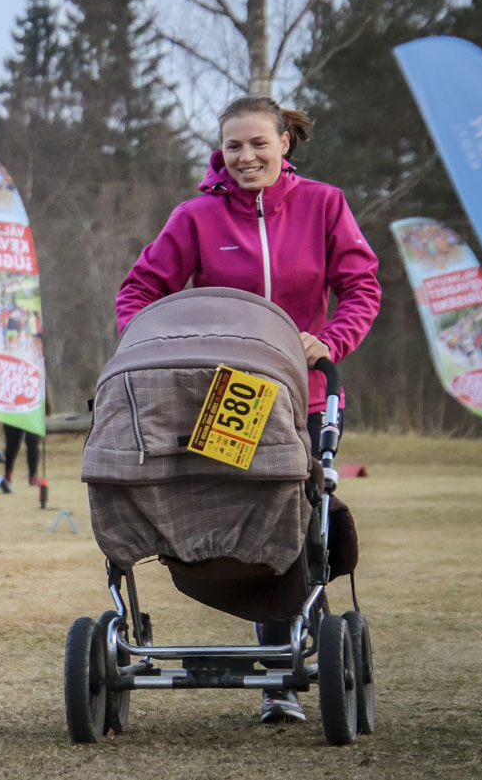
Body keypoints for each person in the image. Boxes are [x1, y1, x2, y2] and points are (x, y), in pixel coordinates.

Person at [115, 94, 381, 725]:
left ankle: (288, 666)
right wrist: (149, 343)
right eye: (234, 146)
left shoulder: (323, 205)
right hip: (228, 396)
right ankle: (275, 670)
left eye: (259, 143)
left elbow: (362, 285)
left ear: (284, 143)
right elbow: (140, 291)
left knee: (302, 513)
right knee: (253, 516)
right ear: (221, 151)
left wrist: (331, 341)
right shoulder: (197, 217)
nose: (246, 156)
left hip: (305, 392)